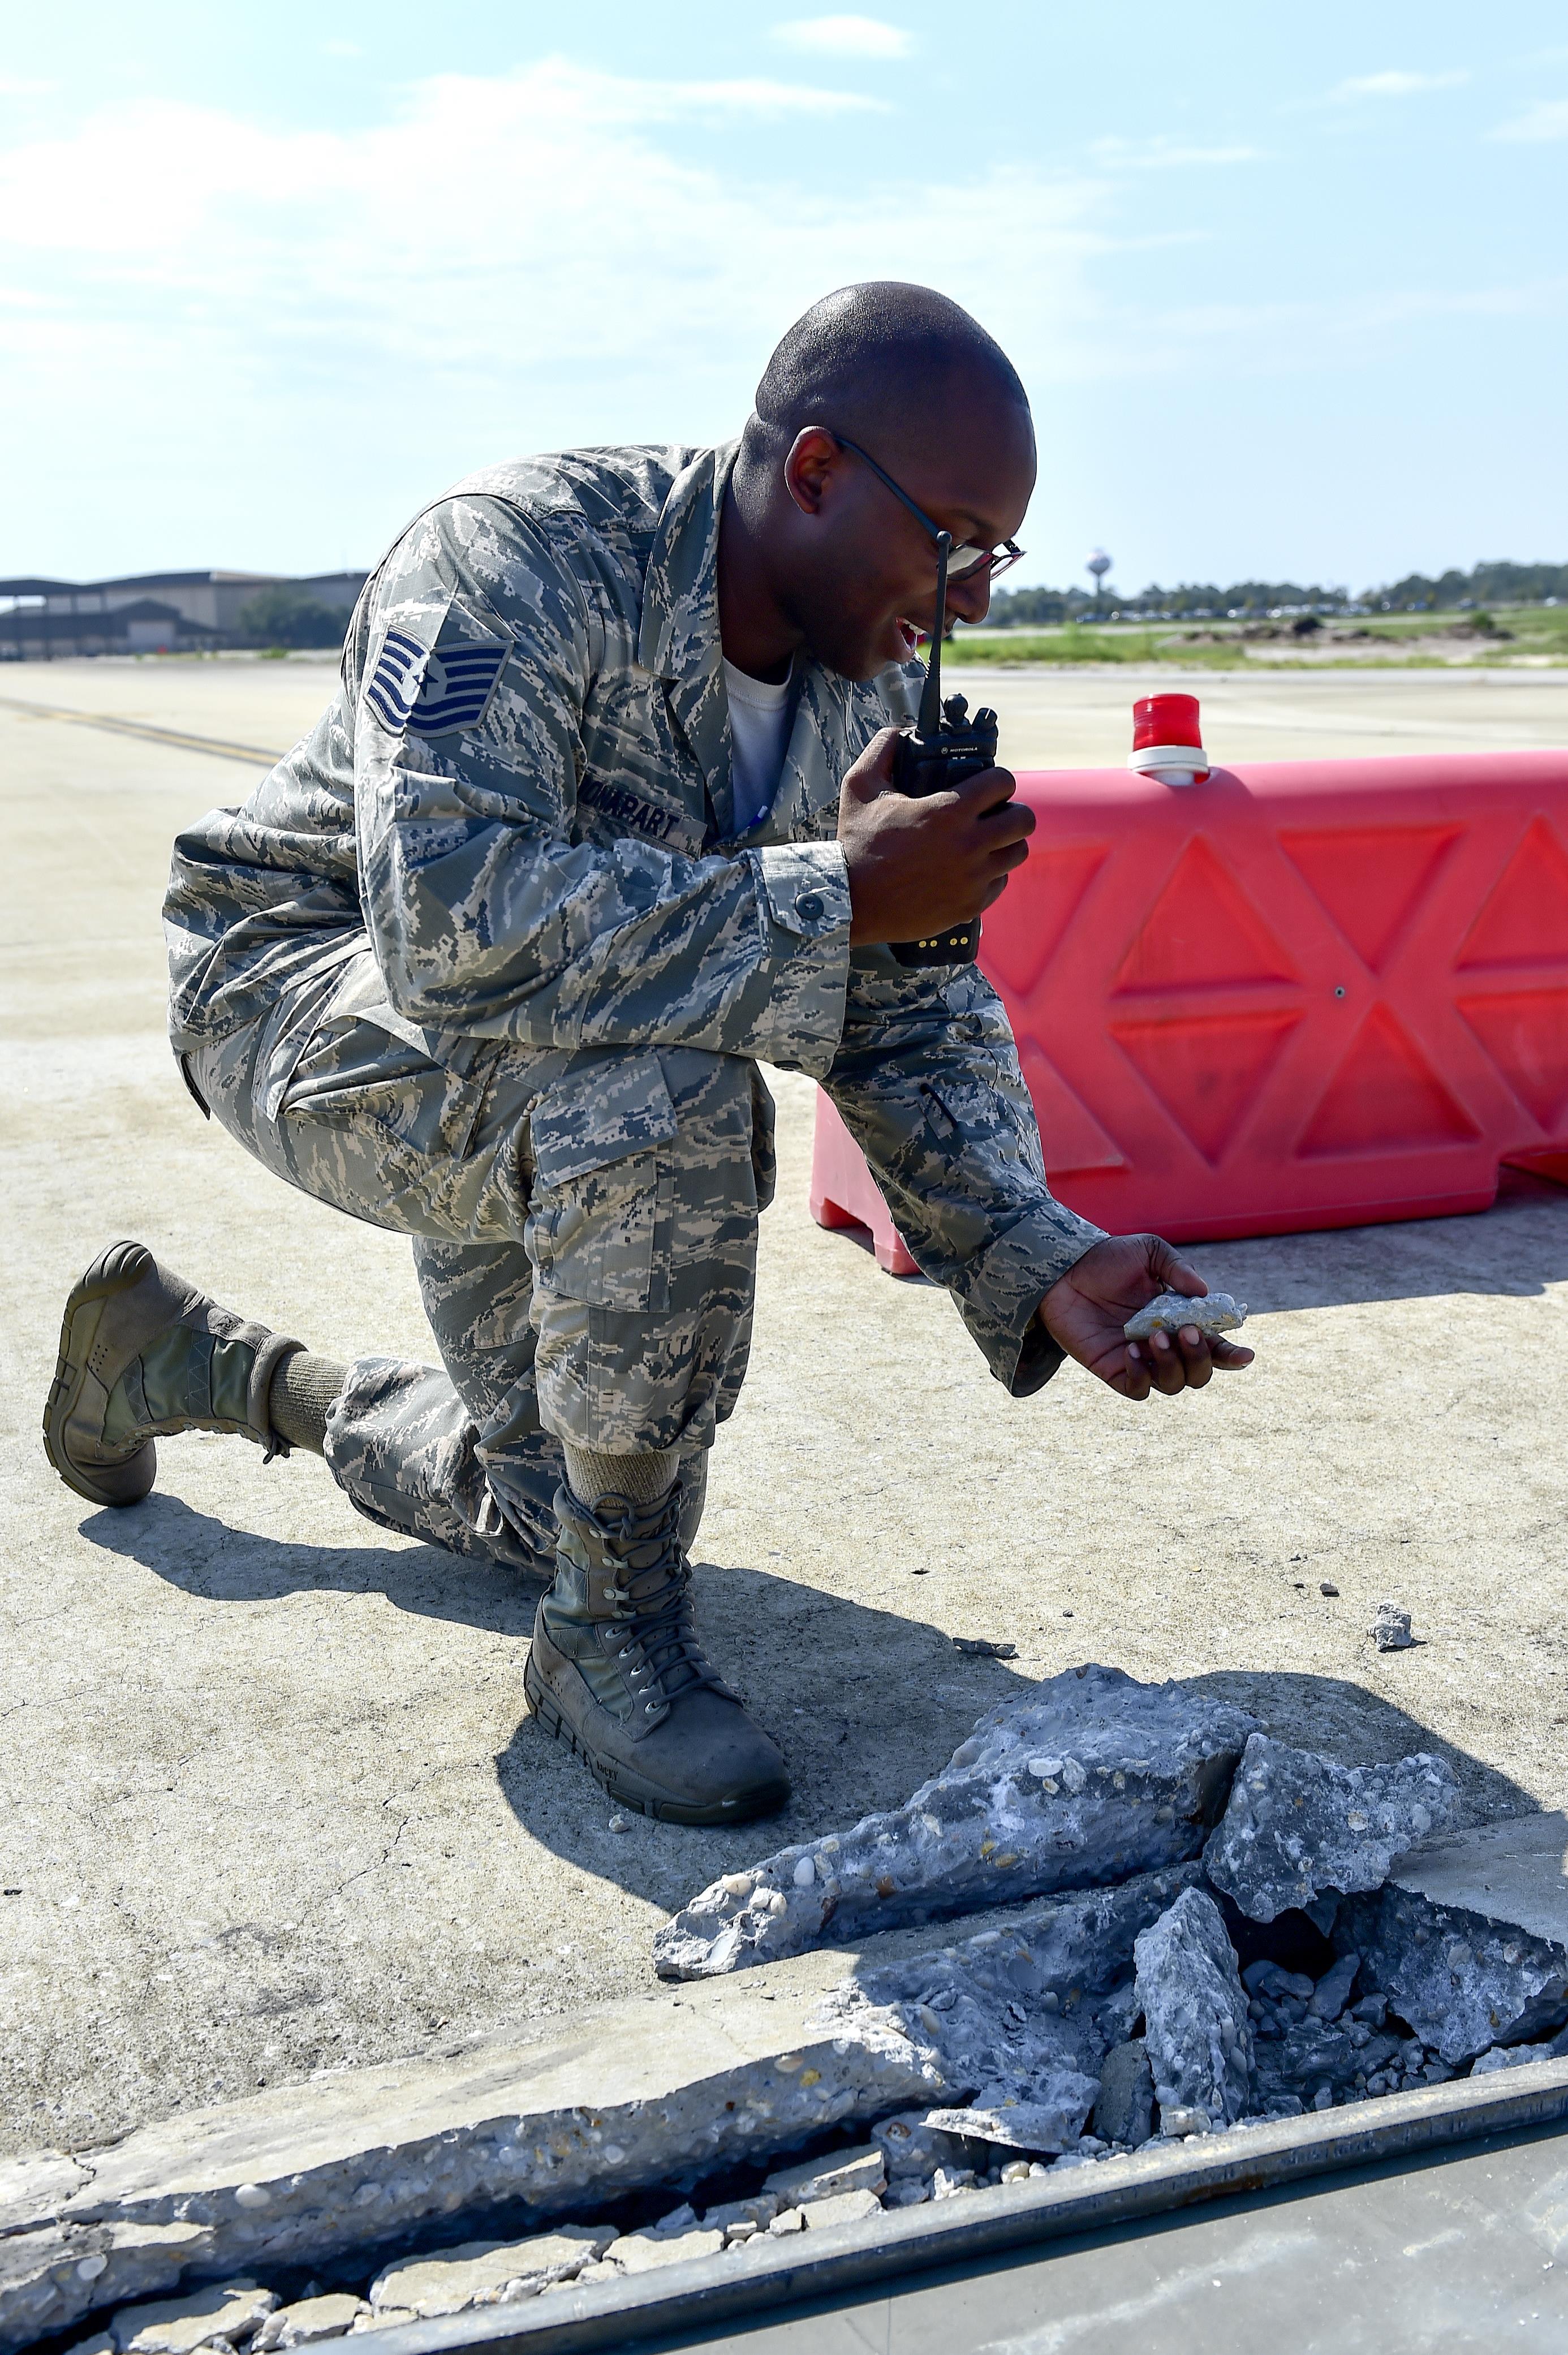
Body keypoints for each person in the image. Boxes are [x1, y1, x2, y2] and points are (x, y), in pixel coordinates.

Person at [44, 282, 1252, 1828]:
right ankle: (610, 1632)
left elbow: (898, 996)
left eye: (993, 554)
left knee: (543, 1499)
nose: (975, 601)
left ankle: (203, 1363)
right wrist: (833, 892)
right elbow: (450, 925)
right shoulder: (510, 560)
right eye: (953, 540)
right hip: (301, 981)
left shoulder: (872, 672)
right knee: (671, 1089)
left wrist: (1027, 1246)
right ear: (815, 472)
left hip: (550, 1042)